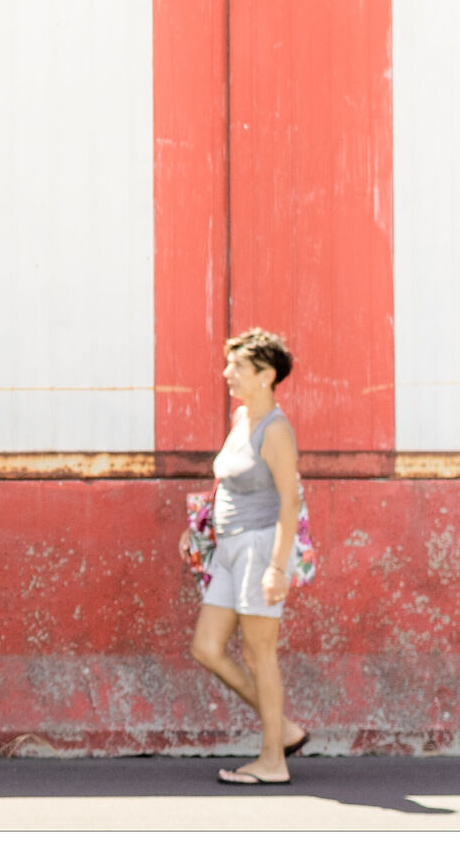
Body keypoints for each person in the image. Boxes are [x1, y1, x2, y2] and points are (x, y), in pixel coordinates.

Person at [188, 328, 307, 785]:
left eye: (238, 366)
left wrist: (278, 567)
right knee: (207, 647)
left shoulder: (276, 431)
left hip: (261, 547)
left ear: (266, 376)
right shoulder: (242, 419)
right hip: (229, 548)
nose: (227, 373)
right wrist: (196, 527)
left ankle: (273, 760)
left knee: (260, 656)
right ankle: (286, 729)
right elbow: (229, 481)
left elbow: (289, 502)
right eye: (229, 364)